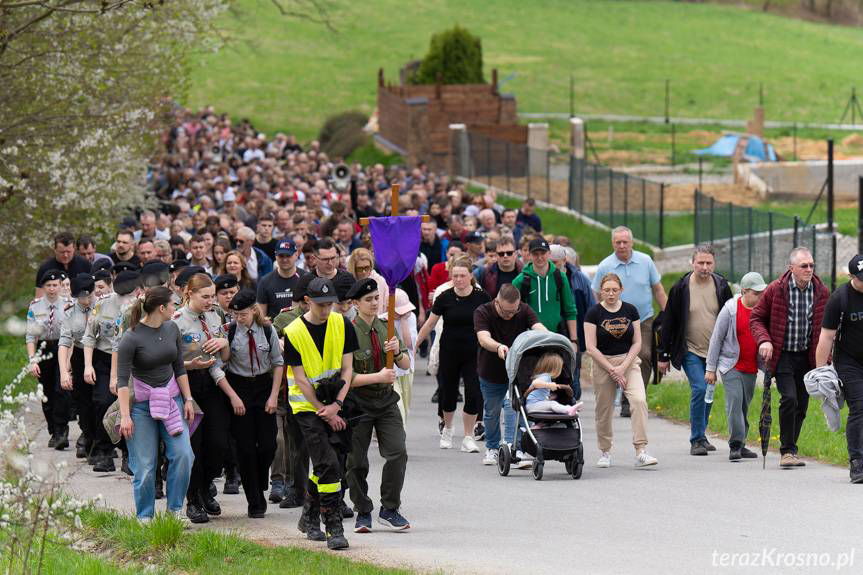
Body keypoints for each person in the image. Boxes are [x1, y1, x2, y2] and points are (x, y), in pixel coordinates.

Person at [282, 277, 357, 550]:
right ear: (307, 301)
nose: (326, 309)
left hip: (336, 401)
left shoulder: (342, 323)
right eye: (320, 304)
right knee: (328, 464)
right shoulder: (293, 332)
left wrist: (337, 404)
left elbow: (347, 369)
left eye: (329, 304)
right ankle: (333, 527)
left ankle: (309, 516)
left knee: (334, 460)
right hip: (306, 407)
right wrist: (322, 411)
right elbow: (300, 379)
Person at [116, 287, 195, 521]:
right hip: (141, 406)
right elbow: (121, 381)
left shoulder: (172, 328)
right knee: (145, 466)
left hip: (172, 400)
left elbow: (179, 366)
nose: (176, 308)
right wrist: (125, 416)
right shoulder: (131, 337)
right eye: (174, 304)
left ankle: (175, 511)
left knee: (183, 455)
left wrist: (188, 399)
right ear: (161, 308)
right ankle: (145, 517)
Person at [751, 247, 829, 468]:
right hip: (782, 354)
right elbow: (756, 318)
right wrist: (764, 340)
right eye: (804, 265)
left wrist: (827, 357)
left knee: (802, 405)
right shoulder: (776, 289)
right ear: (791, 268)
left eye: (812, 265)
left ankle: (791, 448)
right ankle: (787, 451)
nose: (809, 269)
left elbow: (828, 327)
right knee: (790, 398)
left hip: (808, 356)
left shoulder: (821, 291)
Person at [345, 278, 412, 533]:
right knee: (356, 461)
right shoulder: (348, 331)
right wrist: (378, 376)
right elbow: (345, 378)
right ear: (356, 304)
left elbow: (405, 365)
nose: (374, 304)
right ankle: (363, 510)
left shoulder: (388, 327)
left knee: (398, 452)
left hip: (385, 401)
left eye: (376, 299)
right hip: (358, 403)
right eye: (368, 300)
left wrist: (397, 352)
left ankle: (390, 508)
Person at [172, 273, 238, 523]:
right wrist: (191, 364)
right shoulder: (177, 321)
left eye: (213, 296)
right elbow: (171, 362)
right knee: (193, 445)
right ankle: (194, 499)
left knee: (220, 443)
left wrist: (223, 341)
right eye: (205, 296)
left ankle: (206, 484)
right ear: (189, 294)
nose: (211, 301)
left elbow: (226, 357)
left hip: (213, 381)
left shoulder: (215, 316)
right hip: (187, 384)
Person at [658, 245, 732, 456]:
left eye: (709, 263)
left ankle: (702, 435)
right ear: (692, 263)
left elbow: (730, 316)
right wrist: (662, 354)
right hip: (689, 349)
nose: (705, 267)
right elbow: (669, 322)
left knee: (708, 392)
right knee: (699, 388)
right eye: (700, 262)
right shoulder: (680, 288)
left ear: (714, 264)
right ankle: (696, 439)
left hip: (714, 352)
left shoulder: (721, 285)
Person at [416, 255, 491, 453]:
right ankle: (448, 429)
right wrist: (415, 343)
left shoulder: (481, 297)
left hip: (474, 351)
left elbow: (491, 323)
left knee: (474, 392)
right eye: (455, 275)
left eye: (462, 276)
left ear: (470, 276)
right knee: (448, 393)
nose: (458, 279)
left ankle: (468, 436)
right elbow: (430, 323)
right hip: (449, 350)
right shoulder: (445, 297)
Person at [592, 226, 667, 417]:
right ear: (612, 244)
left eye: (625, 242)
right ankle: (623, 397)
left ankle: (635, 399)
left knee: (644, 355)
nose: (622, 245)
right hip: (615, 320)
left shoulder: (645, 261)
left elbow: (657, 289)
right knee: (622, 358)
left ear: (632, 242)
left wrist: (667, 312)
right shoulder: (605, 266)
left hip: (644, 318)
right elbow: (596, 293)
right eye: (618, 242)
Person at [585, 273, 658, 468]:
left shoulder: (630, 310)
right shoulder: (593, 313)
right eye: (607, 290)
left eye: (614, 290)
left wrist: (623, 367)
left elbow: (637, 343)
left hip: (628, 361)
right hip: (603, 363)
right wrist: (612, 370)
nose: (610, 294)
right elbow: (590, 347)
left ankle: (641, 449)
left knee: (639, 400)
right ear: (601, 291)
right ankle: (605, 451)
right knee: (604, 409)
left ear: (621, 291)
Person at [224, 289, 284, 518]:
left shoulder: (267, 330)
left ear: (253, 310)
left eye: (243, 314)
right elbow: (223, 365)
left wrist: (273, 396)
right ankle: (254, 499)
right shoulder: (230, 333)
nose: (239, 319)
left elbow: (278, 363)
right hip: (240, 387)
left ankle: (260, 480)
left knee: (269, 444)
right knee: (246, 448)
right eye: (235, 315)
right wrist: (233, 397)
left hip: (263, 387)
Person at [474, 283, 545, 465]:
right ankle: (492, 448)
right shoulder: (483, 311)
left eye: (514, 311)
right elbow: (483, 338)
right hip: (491, 370)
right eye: (506, 312)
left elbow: (537, 326)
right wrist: (498, 346)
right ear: (497, 302)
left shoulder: (523, 310)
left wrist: (547, 336)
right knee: (492, 411)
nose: (510, 315)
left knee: (517, 409)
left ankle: (518, 450)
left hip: (518, 371)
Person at [82, 270, 142, 472]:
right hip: (105, 358)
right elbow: (90, 336)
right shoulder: (103, 304)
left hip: (134, 361)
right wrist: (88, 365)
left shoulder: (142, 306)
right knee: (102, 402)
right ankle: (104, 451)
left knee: (129, 407)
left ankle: (128, 453)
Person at [705, 272, 767, 461]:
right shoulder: (730, 309)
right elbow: (716, 339)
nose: (759, 297)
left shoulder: (763, 311)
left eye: (761, 293)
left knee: (744, 407)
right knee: (735, 403)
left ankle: (742, 443)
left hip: (751, 366)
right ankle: (734, 445)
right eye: (755, 293)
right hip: (730, 365)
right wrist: (710, 368)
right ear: (744, 291)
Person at [269, 272, 316, 509]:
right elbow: (273, 349)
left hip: (322, 391)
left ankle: (319, 492)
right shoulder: (286, 320)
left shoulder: (333, 321)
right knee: (292, 442)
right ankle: (293, 487)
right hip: (291, 390)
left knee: (319, 447)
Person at [816, 254, 863, 483]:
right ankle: (857, 463)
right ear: (852, 276)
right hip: (849, 361)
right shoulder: (840, 299)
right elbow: (826, 337)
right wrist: (819, 373)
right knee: (859, 406)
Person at [26, 269, 71, 449]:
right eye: (49, 285)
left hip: (62, 346)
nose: (52, 289)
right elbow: (30, 336)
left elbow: (73, 335)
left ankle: (62, 430)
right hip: (44, 349)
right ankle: (53, 429)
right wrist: (33, 360)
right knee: (47, 393)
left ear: (61, 286)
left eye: (55, 285)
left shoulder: (69, 304)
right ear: (43, 287)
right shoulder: (35, 306)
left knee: (61, 390)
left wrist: (68, 361)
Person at [550, 244, 595, 402]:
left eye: (555, 262)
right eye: (550, 262)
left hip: (574, 333)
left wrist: (590, 336)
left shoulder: (579, 278)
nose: (552, 266)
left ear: (564, 261)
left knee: (572, 371)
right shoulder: (542, 279)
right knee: (551, 370)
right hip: (551, 331)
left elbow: (591, 307)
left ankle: (571, 404)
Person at [58, 273, 96, 459]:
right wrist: (64, 372)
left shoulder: (104, 307)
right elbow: (64, 342)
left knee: (101, 400)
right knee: (83, 402)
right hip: (80, 355)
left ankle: (101, 441)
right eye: (82, 297)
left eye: (90, 295)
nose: (87, 300)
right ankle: (88, 435)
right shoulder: (69, 312)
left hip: (102, 354)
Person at [512, 238, 578, 344]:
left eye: (543, 253)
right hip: (530, 339)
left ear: (549, 254)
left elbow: (570, 310)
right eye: (535, 254)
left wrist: (574, 340)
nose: (539, 257)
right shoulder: (520, 281)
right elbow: (512, 313)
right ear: (529, 255)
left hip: (557, 336)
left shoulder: (560, 277)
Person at [256, 238, 305, 322]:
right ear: (275, 256)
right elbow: (261, 316)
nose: (284, 259)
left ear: (296, 255)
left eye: (288, 256)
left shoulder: (306, 278)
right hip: (276, 331)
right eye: (281, 256)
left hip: (301, 331)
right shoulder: (265, 281)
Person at [389, 289, 417, 427]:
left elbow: (409, 344)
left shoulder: (410, 318)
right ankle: (397, 431)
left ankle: (401, 431)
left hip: (407, 368)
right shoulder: (383, 319)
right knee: (397, 405)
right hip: (391, 369)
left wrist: (404, 321)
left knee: (405, 406)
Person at [35, 232, 91, 298]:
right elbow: (39, 297)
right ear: (55, 250)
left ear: (74, 249)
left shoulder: (85, 265)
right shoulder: (45, 268)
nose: (65, 255)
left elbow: (93, 291)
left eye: (68, 252)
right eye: (62, 252)